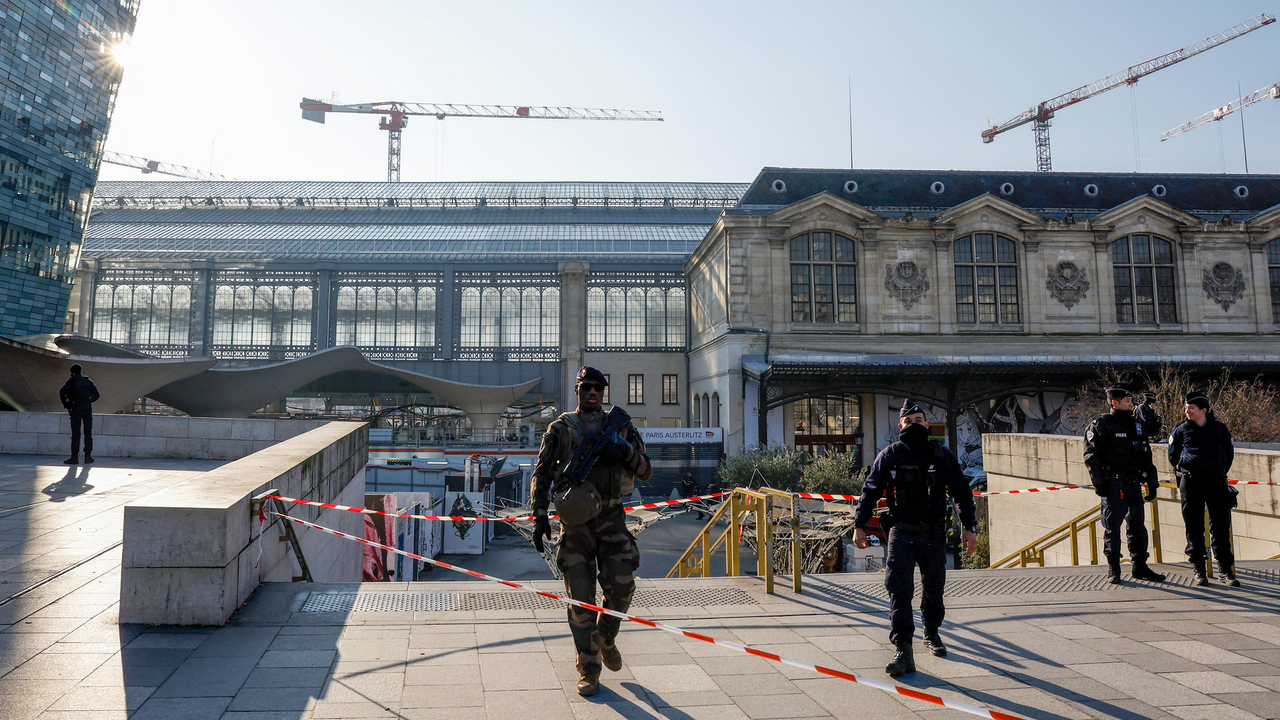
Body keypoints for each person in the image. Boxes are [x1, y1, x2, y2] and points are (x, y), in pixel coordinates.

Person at [529, 366, 651, 696]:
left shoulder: (621, 426)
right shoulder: (561, 428)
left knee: (622, 590)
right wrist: (540, 516)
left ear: (604, 391)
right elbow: (541, 474)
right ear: (577, 390)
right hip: (575, 525)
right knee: (580, 601)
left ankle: (607, 636)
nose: (593, 392)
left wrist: (622, 451)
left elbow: (646, 470)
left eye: (598, 387)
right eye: (587, 387)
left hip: (612, 517)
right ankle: (589, 668)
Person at [852, 399, 978, 678]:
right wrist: (859, 524)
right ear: (900, 426)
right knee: (899, 588)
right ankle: (903, 649)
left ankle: (931, 632)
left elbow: (961, 491)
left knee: (934, 586)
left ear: (927, 424)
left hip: (933, 531)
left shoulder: (941, 455)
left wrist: (969, 527)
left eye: (918, 420)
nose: (914, 425)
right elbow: (870, 490)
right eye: (908, 422)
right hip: (901, 529)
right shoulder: (890, 455)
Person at [1083, 387, 1166, 585]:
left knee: (1137, 525)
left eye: (1131, 401)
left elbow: (1145, 453)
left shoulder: (1136, 424)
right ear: (1114, 403)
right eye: (1127, 401)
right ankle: (1114, 567)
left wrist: (1151, 482)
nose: (1131, 405)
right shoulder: (1101, 425)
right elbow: (1091, 456)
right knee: (1112, 527)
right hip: (1113, 484)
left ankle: (1139, 566)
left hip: (1133, 483)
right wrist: (1099, 483)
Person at [1167, 392, 1238, 587]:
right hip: (1191, 483)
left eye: (1191, 408)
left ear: (1204, 410)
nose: (1187, 411)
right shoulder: (1180, 430)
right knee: (1194, 526)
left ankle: (1225, 569)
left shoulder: (1220, 429)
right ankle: (1199, 569)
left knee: (1221, 527)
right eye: (1186, 408)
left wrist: (1218, 472)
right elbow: (1173, 457)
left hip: (1216, 483)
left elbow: (1228, 454)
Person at [59, 364, 100, 465]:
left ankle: (74, 457)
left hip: (75, 408)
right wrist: (88, 401)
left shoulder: (71, 382)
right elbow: (97, 395)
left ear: (72, 372)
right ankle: (88, 456)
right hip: (86, 409)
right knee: (88, 433)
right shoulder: (88, 382)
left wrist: (67, 404)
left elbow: (62, 392)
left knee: (76, 434)